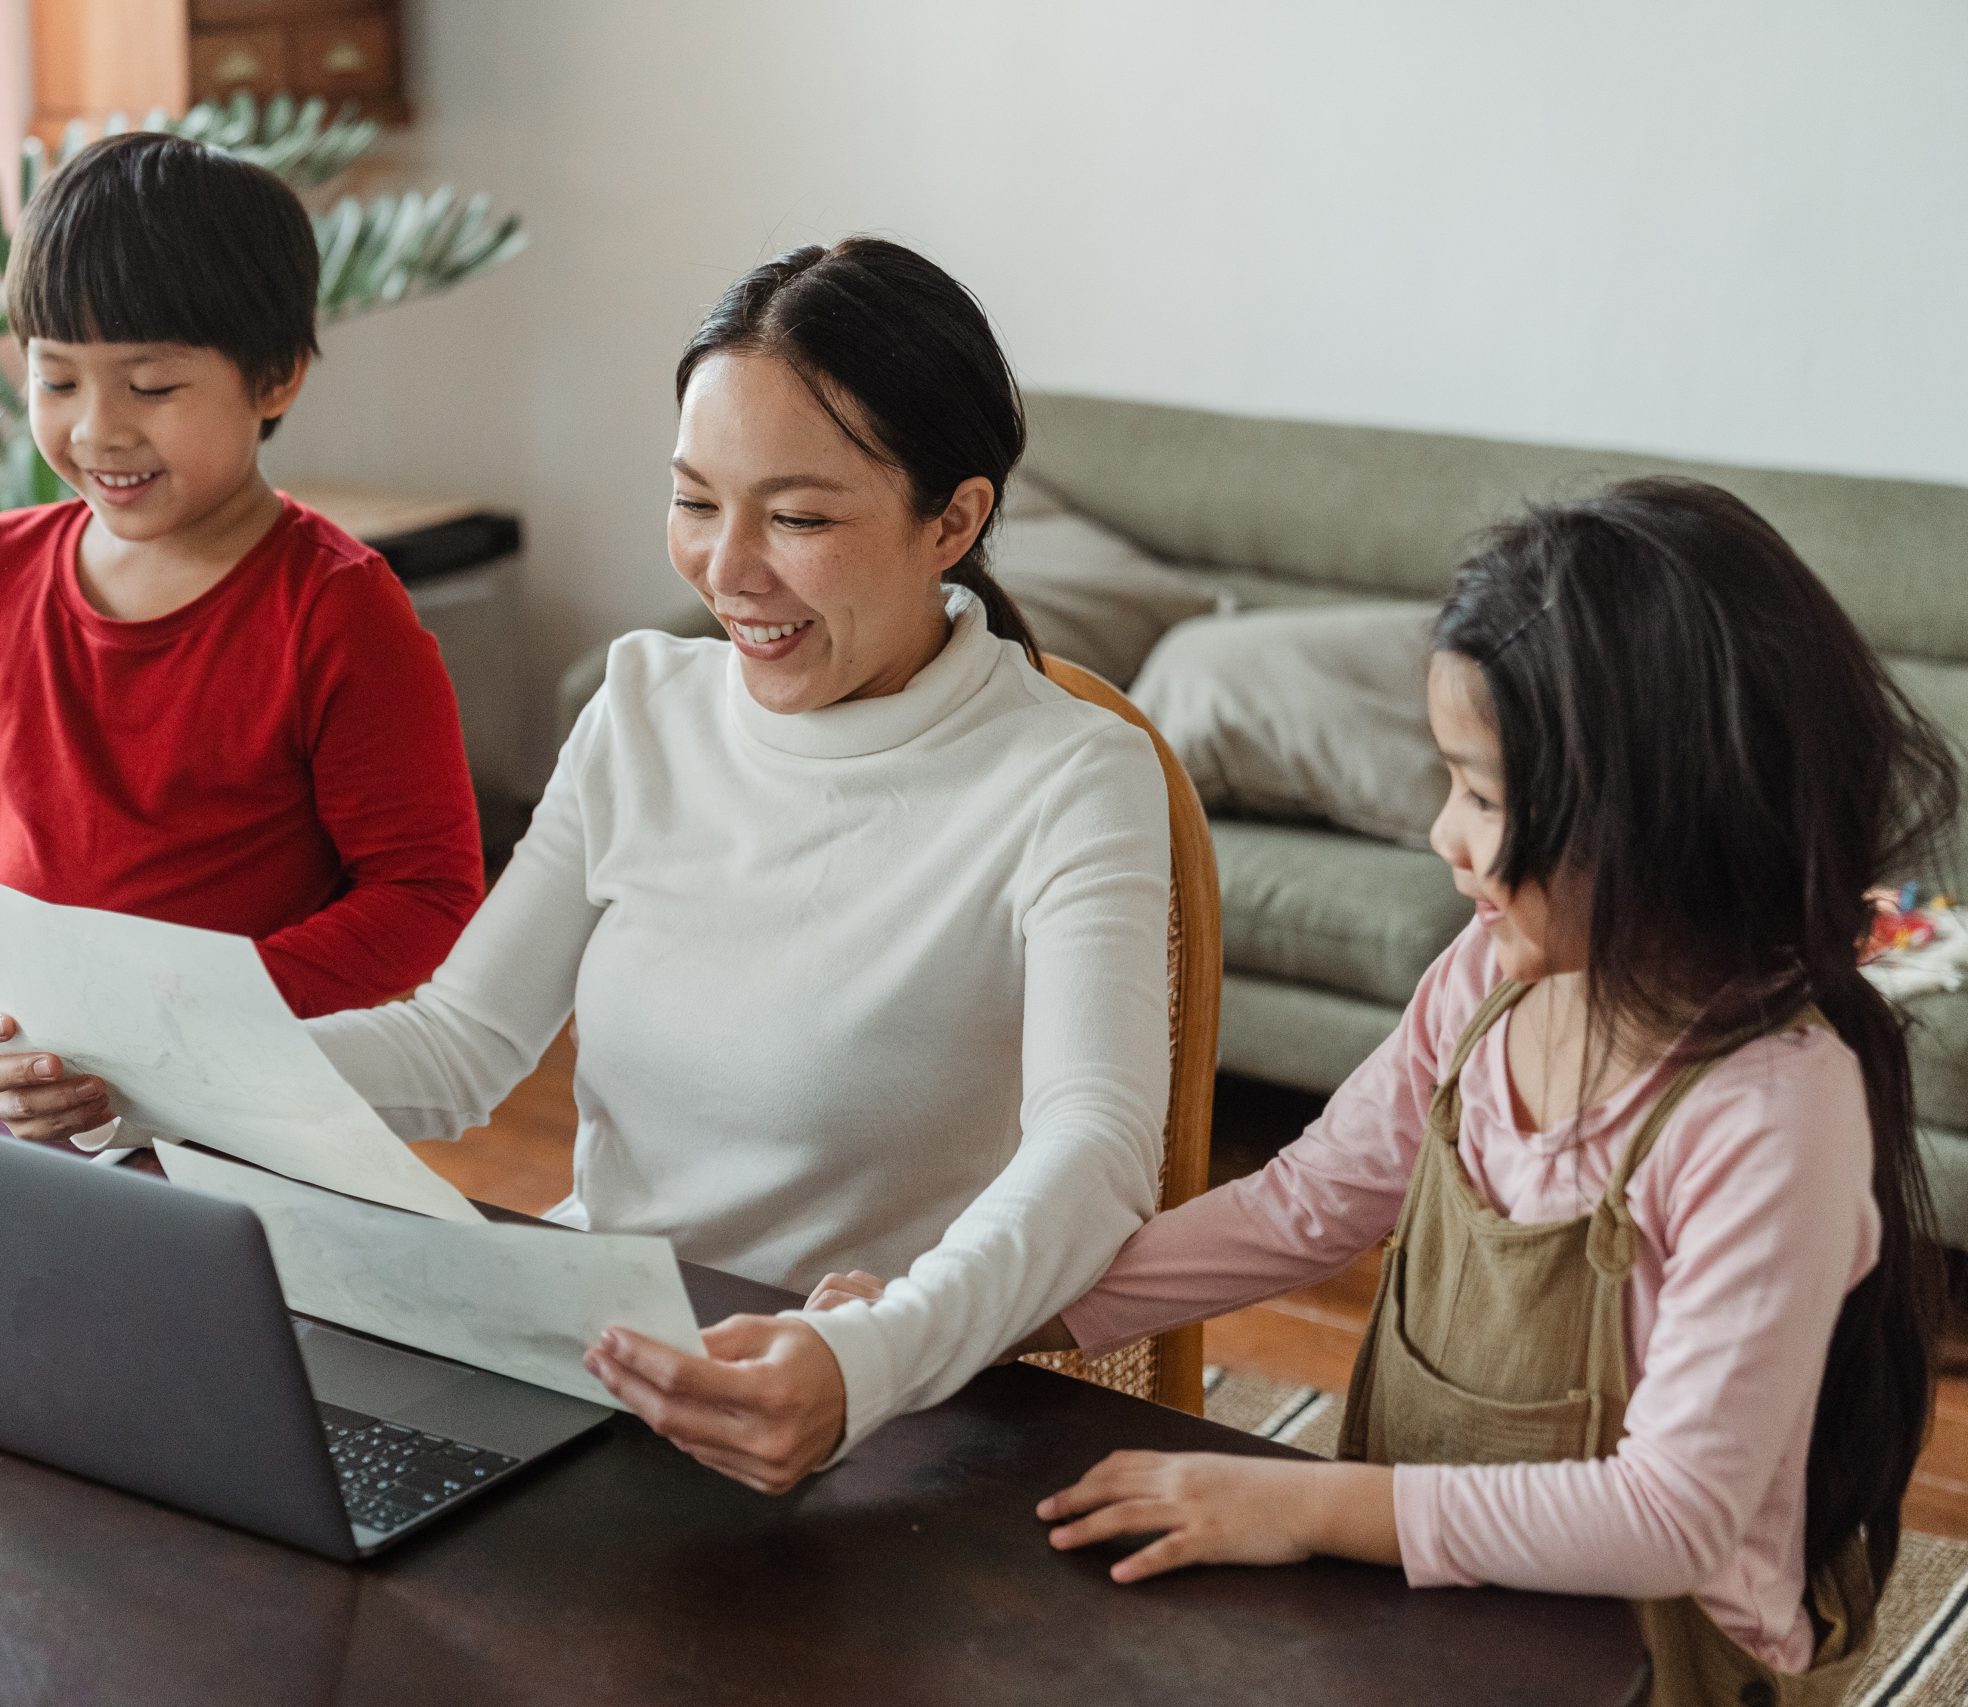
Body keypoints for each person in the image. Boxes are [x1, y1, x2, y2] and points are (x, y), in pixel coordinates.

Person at [0, 237, 1175, 1486]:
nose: (727, 572)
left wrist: (867, 1357)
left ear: (953, 520)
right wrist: (140, 1076)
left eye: (799, 517)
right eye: (696, 502)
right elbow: (458, 1047)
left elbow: (1094, 1150)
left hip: (866, 1397)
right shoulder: (642, 705)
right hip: (591, 1346)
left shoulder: (1072, 776)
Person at [824, 478, 1953, 1704]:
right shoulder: (1487, 976)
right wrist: (968, 1313)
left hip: (1655, 1656)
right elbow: (1302, 1205)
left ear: (1650, 818)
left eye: (1481, 795)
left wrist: (1296, 1497)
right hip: (1428, 1591)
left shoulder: (1773, 1109)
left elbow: (1669, 1517)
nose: (1440, 837)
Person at [0, 133, 486, 1107]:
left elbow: (422, 898)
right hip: (30, 1101)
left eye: (151, 386)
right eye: (55, 380)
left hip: (240, 1109)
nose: (98, 429)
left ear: (276, 379)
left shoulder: (339, 614)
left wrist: (178, 1027)